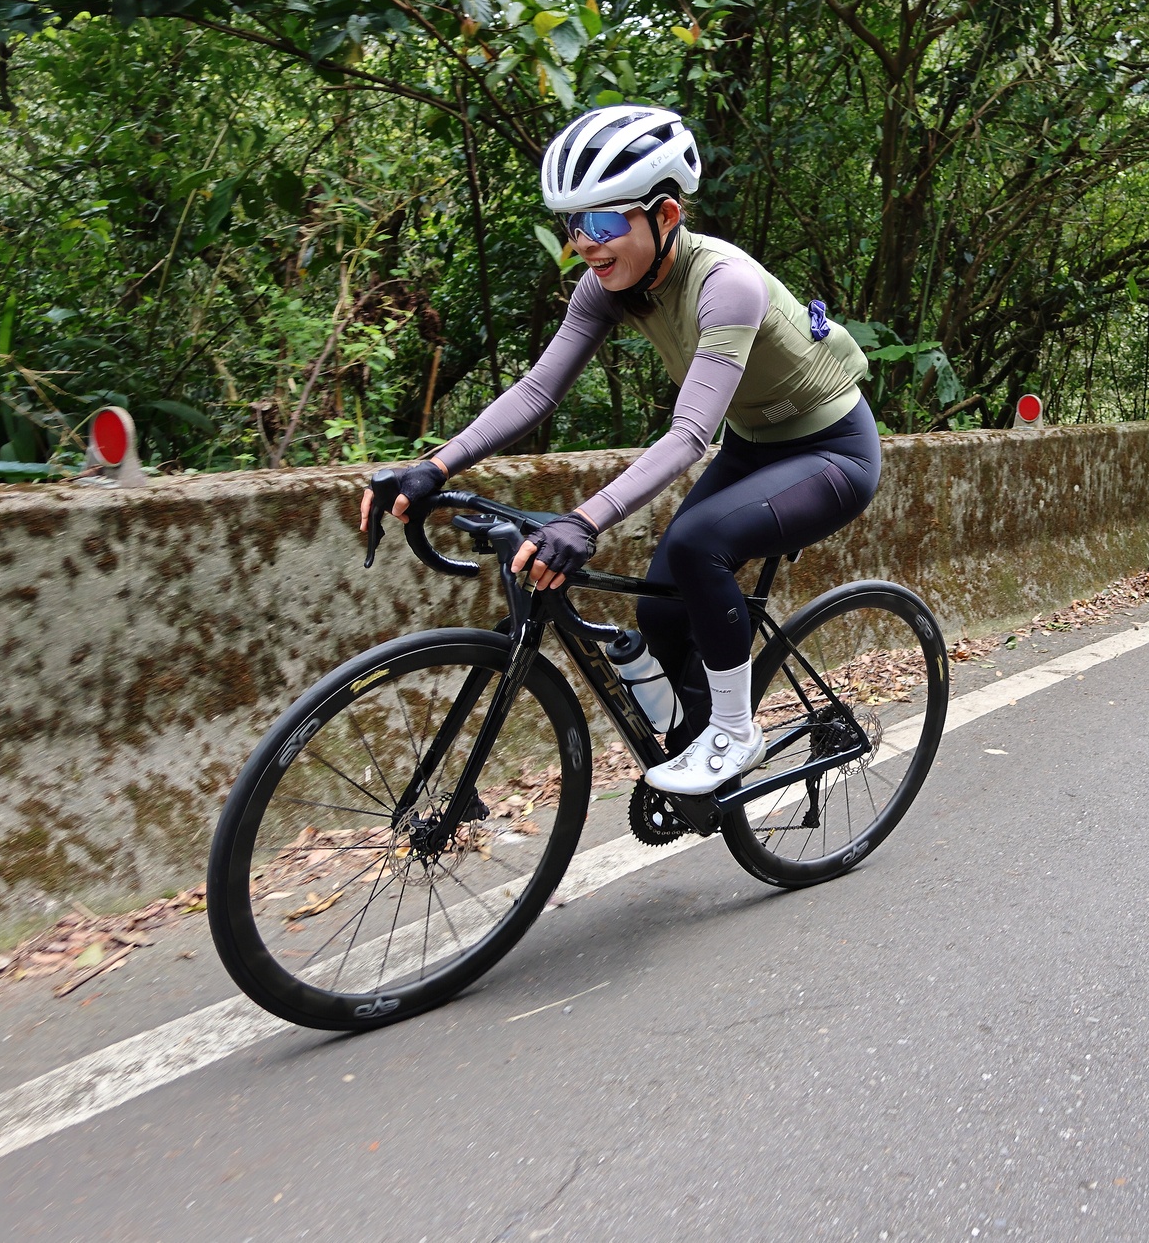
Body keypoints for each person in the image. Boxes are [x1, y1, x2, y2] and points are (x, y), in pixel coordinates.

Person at [359, 104, 878, 795]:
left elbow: (689, 436)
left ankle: (735, 732)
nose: (585, 244)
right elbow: (538, 390)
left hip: (833, 450)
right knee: (660, 607)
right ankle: (699, 746)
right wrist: (435, 465)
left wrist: (582, 522)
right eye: (573, 225)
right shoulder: (608, 285)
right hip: (753, 445)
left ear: (666, 216)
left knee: (697, 545)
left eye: (604, 224)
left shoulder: (726, 283)